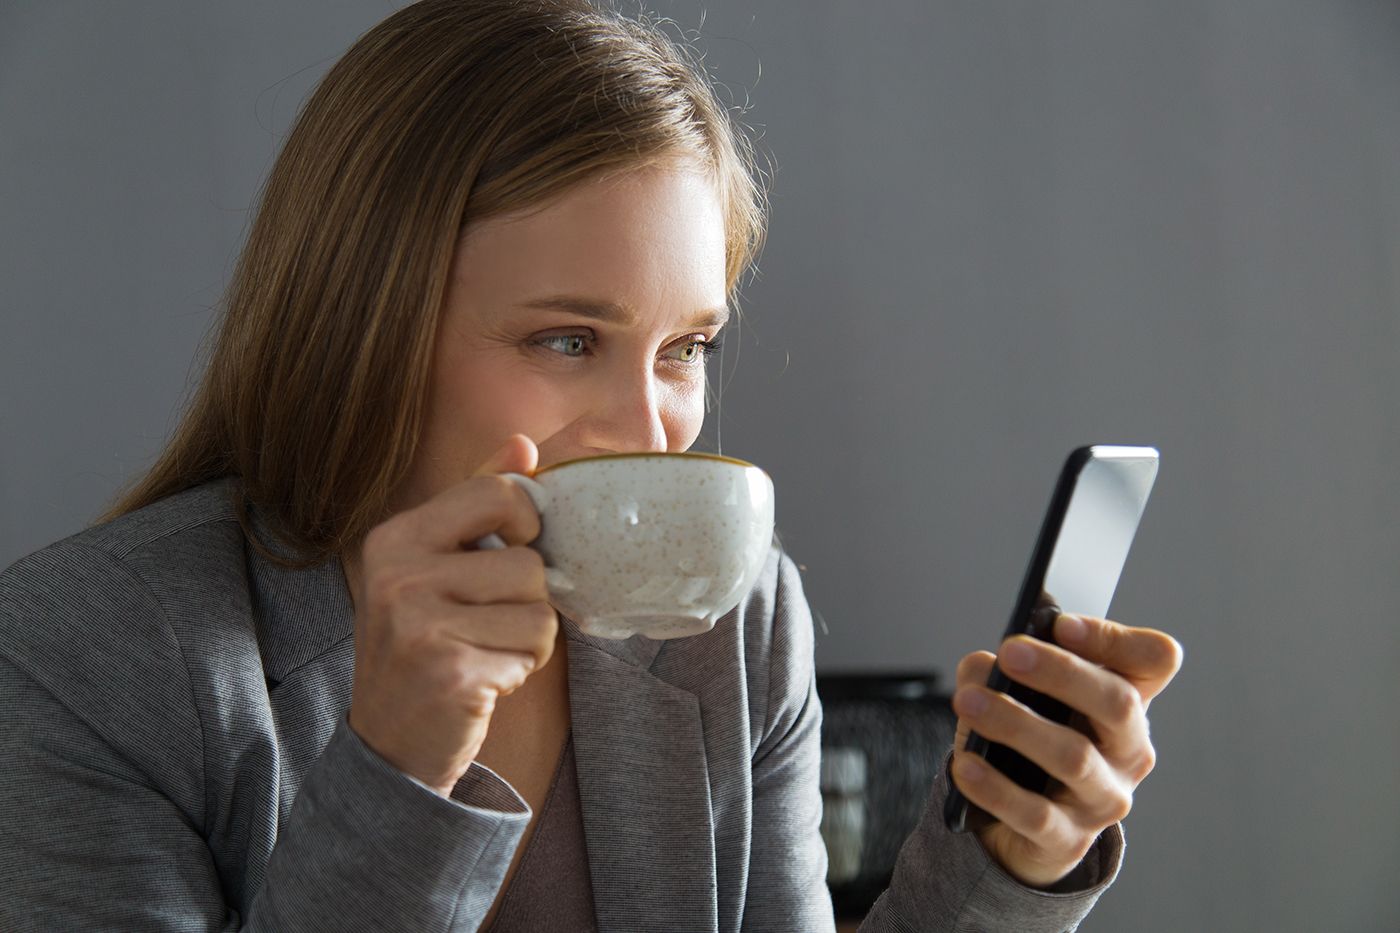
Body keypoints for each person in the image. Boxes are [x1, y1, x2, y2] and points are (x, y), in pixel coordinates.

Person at [0, 1, 1183, 930]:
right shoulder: (82, 657)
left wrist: (1013, 860)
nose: (649, 428)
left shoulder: (736, 618)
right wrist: (395, 773)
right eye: (565, 340)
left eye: (684, 350)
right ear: (366, 324)